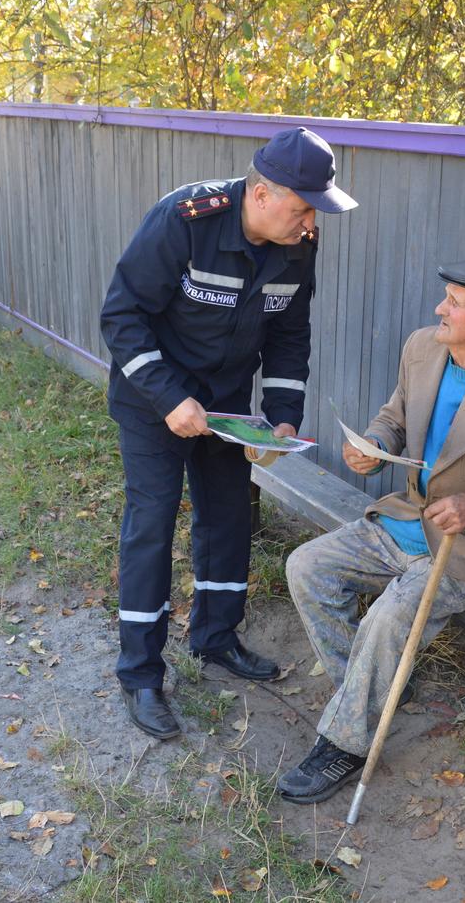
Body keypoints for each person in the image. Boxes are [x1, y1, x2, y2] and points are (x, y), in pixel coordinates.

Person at [278, 255, 465, 803]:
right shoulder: (423, 346)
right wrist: (376, 446)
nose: (440, 308)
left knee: (388, 618)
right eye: (447, 297)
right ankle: (365, 698)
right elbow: (396, 416)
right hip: (407, 518)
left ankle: (345, 743)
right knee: (307, 566)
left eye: (455, 302)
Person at [100, 127, 357, 740]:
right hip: (152, 399)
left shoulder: (298, 244)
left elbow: (291, 334)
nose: (308, 222)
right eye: (300, 208)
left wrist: (283, 416)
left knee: (227, 516)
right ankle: (140, 673)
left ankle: (215, 637)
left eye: (314, 211)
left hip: (226, 405)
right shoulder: (184, 220)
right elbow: (122, 315)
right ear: (261, 193)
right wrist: (169, 398)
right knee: (153, 524)